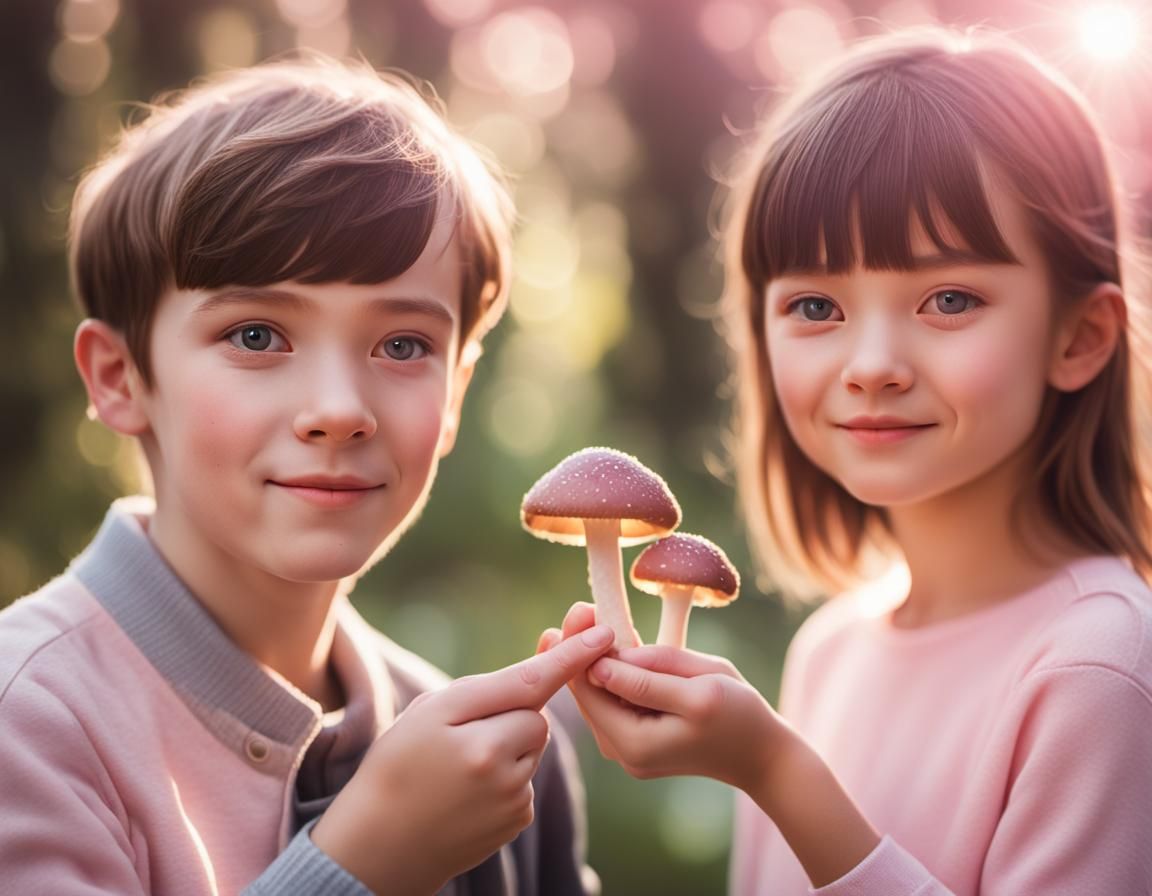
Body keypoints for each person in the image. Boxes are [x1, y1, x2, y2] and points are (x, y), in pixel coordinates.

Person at [542, 27, 1152, 895]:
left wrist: (781, 777)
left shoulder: (1101, 666)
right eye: (817, 305)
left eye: (948, 299)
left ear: (1079, 337)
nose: (871, 363)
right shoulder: (829, 651)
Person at [0, 56, 615, 895]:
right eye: (257, 336)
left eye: (403, 346)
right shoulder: (27, 721)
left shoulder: (500, 766)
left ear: (456, 393)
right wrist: (360, 865)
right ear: (118, 377)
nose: (338, 408)